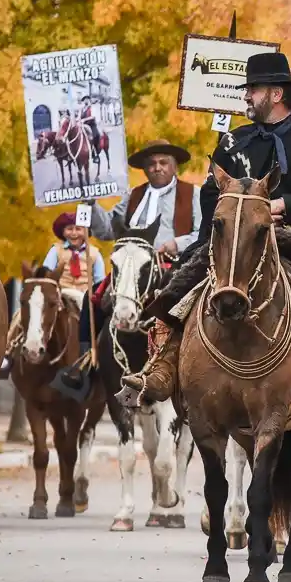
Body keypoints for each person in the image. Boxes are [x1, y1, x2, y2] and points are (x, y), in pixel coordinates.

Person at [119, 52, 291, 436]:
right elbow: (207, 195)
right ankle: (161, 368)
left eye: (253, 89)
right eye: (248, 89)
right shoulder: (232, 143)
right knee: (176, 289)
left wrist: (287, 205)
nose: (246, 96)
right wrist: (226, 221)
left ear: (277, 93)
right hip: (233, 242)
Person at [58, 140, 202, 394]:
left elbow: (204, 232)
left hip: (174, 265)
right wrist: (91, 205)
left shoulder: (194, 194)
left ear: (174, 166)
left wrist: (175, 243)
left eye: (163, 163)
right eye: (151, 164)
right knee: (92, 300)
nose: (157, 168)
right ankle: (85, 364)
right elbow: (105, 230)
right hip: (129, 268)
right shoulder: (133, 195)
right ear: (145, 169)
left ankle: (195, 366)